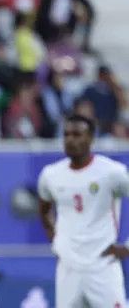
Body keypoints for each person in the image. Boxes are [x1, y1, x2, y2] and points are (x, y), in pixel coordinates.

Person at [38, 114, 129, 308]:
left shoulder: (112, 173)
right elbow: (44, 210)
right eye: (66, 134)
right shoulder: (51, 175)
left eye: (77, 134)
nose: (70, 140)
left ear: (91, 138)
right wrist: (56, 239)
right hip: (69, 268)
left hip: (102, 265)